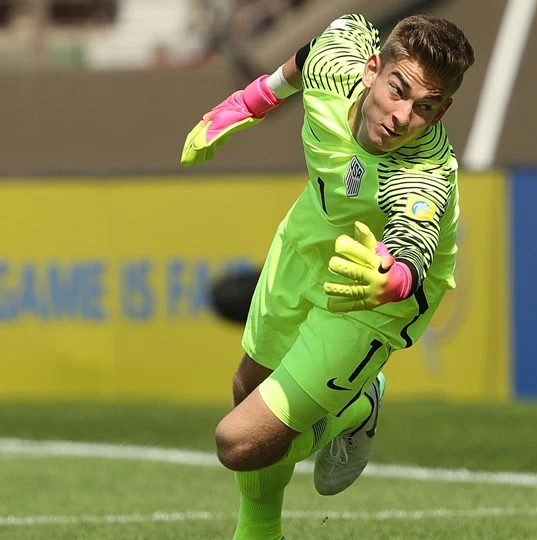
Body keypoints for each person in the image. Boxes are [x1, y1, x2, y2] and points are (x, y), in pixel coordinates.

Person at [180, 13, 474, 539]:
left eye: (425, 108)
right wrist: (250, 102)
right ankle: (260, 532)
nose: (403, 116)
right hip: (309, 238)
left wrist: (393, 280)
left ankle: (357, 404)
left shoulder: (425, 172)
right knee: (247, 387)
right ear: (371, 70)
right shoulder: (337, 66)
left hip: (372, 293)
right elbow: (314, 49)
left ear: (443, 110)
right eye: (398, 90)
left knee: (240, 443)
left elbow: (415, 241)